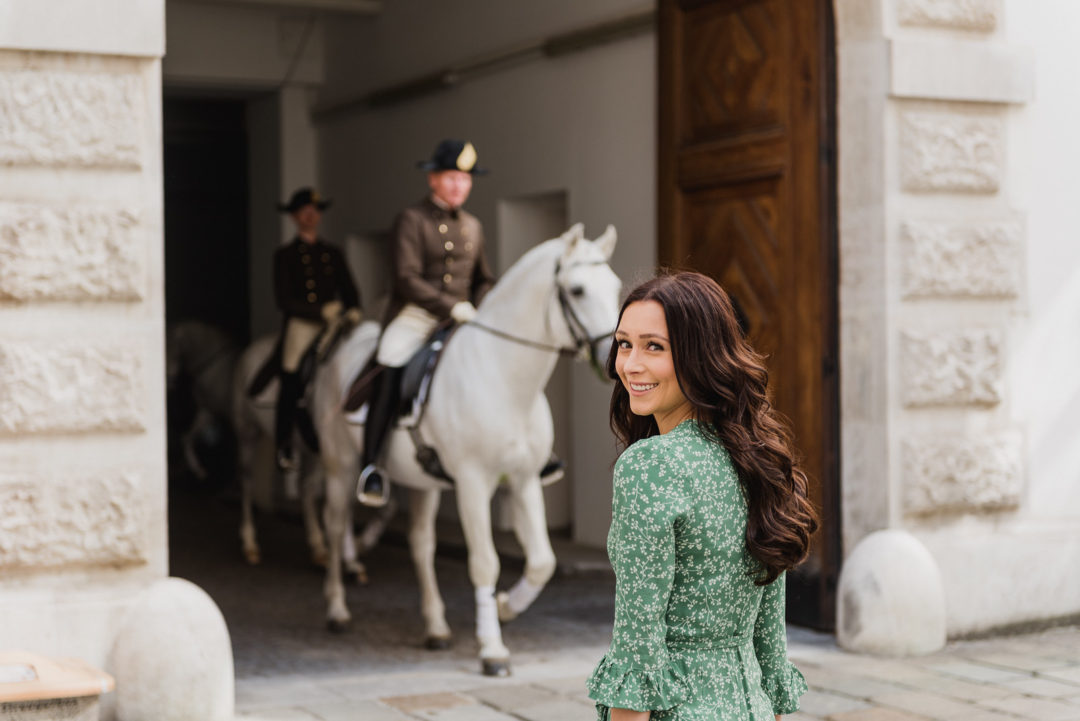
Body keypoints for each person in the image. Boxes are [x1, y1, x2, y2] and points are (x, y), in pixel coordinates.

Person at [586, 271, 818, 721]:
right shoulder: (760, 460)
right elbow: (770, 647)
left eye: (655, 346)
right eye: (624, 343)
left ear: (700, 356)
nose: (630, 364)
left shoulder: (650, 466)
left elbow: (639, 650)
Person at [356, 139, 497, 506]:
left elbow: (484, 277)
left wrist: (479, 306)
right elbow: (406, 278)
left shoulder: (473, 225)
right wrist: (451, 306)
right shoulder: (411, 219)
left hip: (464, 316)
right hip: (418, 315)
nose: (458, 186)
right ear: (433, 179)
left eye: (465, 180)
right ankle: (370, 466)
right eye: (451, 178)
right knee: (389, 361)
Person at [273, 187, 362, 470]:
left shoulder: (332, 253)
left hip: (334, 321)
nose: (311, 215)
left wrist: (354, 309)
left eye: (315, 211)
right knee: (291, 372)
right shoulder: (285, 255)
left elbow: (349, 288)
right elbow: (284, 300)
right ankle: (284, 442)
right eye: (305, 211)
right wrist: (318, 310)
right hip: (304, 322)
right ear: (295, 217)